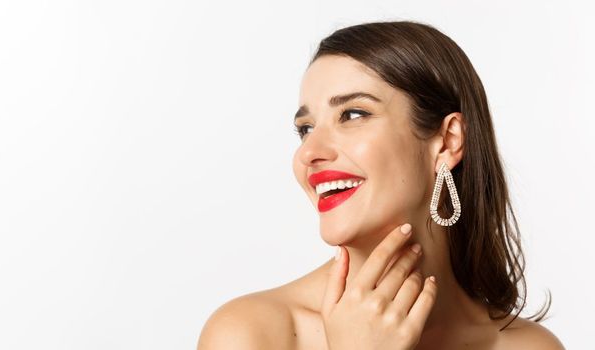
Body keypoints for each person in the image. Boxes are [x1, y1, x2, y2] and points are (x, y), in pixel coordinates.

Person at [197, 21, 564, 349]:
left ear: (448, 141)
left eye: (353, 114)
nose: (309, 151)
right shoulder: (250, 334)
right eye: (305, 128)